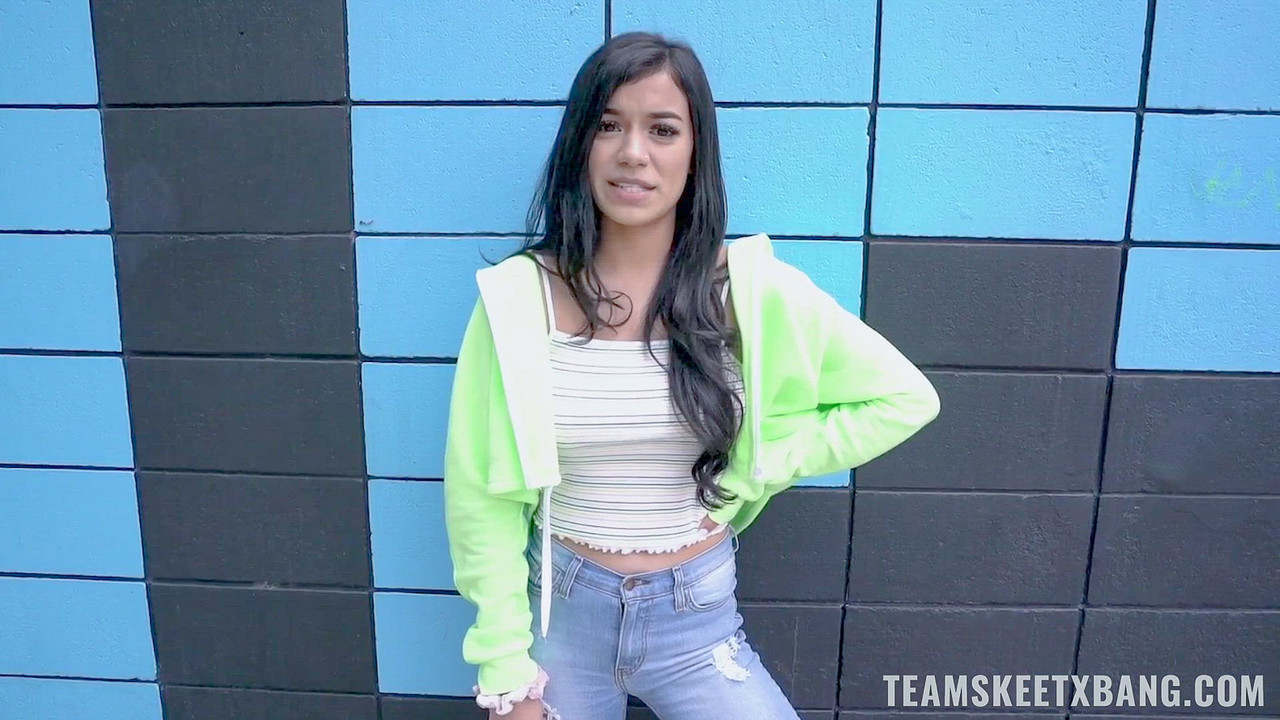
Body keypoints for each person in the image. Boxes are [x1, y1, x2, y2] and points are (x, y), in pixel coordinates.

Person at [443, 31, 940, 720]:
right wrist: (506, 672)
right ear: (580, 145)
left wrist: (761, 464)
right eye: (608, 125)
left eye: (663, 129)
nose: (633, 152)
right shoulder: (518, 297)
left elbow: (903, 398)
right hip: (562, 620)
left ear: (695, 151)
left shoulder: (751, 292)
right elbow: (481, 497)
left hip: (697, 620)